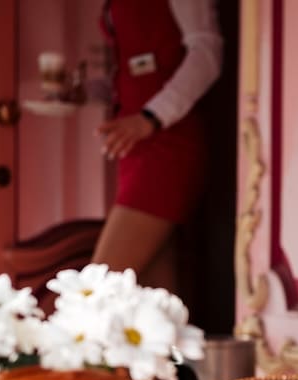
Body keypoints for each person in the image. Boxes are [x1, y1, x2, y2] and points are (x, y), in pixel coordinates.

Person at [92, 0, 222, 293]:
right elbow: (142, 71)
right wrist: (86, 90)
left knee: (98, 292)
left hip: (167, 143)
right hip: (134, 147)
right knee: (154, 300)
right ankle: (172, 342)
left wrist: (151, 117)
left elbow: (208, 53)